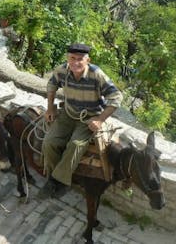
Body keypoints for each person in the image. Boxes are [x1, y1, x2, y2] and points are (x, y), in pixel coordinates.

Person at [39, 43, 123, 199]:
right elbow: (51, 84)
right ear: (67, 58)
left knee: (76, 144)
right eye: (72, 58)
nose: (76, 62)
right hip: (68, 114)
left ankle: (59, 182)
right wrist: (50, 107)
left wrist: (99, 119)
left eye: (80, 59)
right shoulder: (62, 70)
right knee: (49, 142)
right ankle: (55, 177)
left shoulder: (96, 75)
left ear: (88, 60)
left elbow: (117, 97)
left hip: (89, 118)